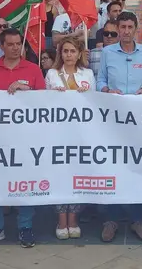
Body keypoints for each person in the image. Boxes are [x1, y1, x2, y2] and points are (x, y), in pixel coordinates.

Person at [0, 28, 45, 249]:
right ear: (1, 46)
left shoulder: (33, 69)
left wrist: (27, 89)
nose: (16, 48)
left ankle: (25, 226)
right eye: (11, 44)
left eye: (19, 44)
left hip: (26, 139)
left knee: (25, 183)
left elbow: (46, 103)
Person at [96, 12, 142, 242]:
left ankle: (137, 219)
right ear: (117, 29)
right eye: (122, 26)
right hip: (114, 120)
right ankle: (111, 219)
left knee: (138, 166)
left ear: (136, 28)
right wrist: (107, 91)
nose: (126, 30)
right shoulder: (108, 53)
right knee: (114, 167)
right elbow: (100, 80)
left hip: (139, 120)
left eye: (130, 26)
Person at [45, 36, 94, 240]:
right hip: (58, 134)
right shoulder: (52, 74)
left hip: (80, 134)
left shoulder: (88, 74)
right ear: (60, 53)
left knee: (76, 176)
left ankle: (72, 220)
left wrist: (86, 94)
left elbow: (96, 103)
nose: (69, 55)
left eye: (72, 51)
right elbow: (44, 102)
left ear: (79, 53)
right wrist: (54, 94)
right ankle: (61, 220)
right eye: (65, 51)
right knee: (60, 177)